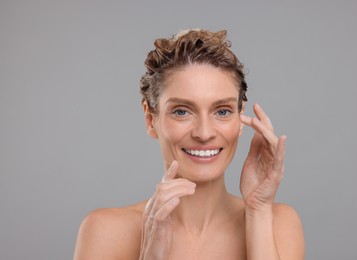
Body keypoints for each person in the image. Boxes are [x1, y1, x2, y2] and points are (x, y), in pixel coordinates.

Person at [74, 29, 305, 260]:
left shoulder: (278, 224)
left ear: (240, 117)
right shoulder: (105, 232)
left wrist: (258, 211)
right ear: (150, 118)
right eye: (182, 111)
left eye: (222, 111)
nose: (204, 133)